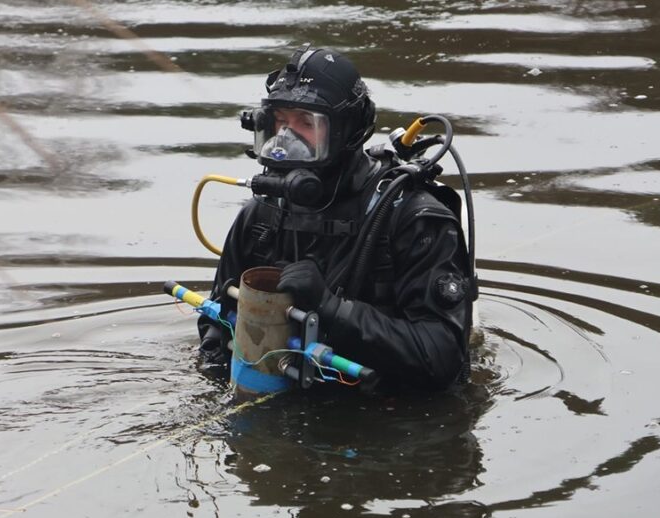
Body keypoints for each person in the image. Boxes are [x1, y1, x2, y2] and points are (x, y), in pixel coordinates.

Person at [198, 44, 476, 393]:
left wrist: (333, 308)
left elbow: (444, 359)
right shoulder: (260, 216)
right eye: (280, 122)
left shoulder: (412, 218)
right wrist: (214, 370)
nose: (287, 138)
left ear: (349, 131)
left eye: (306, 124)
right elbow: (217, 316)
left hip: (386, 420)